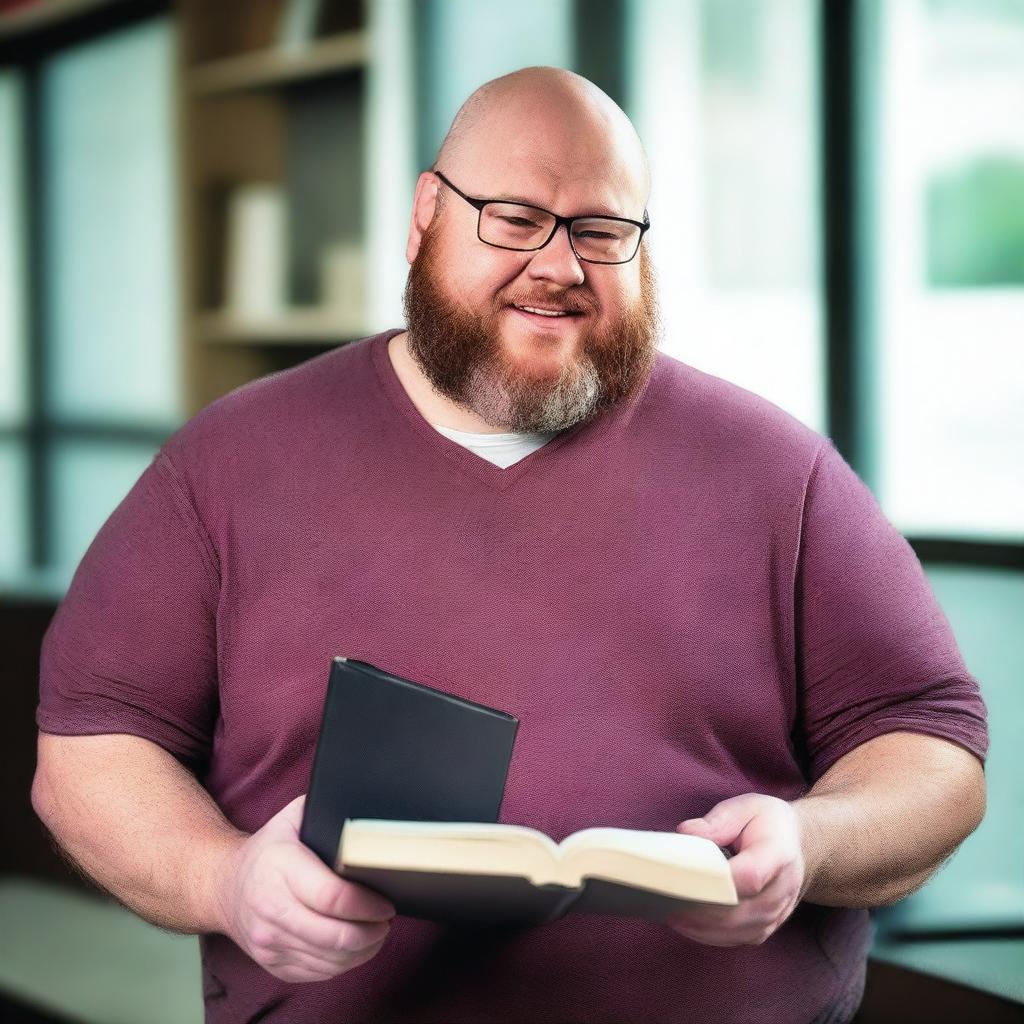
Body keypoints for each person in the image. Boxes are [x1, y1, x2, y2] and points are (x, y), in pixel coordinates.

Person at [32, 66, 988, 1024]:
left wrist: (809, 841)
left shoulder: (781, 470)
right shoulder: (227, 463)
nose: (560, 265)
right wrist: (224, 879)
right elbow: (94, 751)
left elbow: (932, 748)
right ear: (424, 219)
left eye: (602, 231)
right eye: (515, 217)